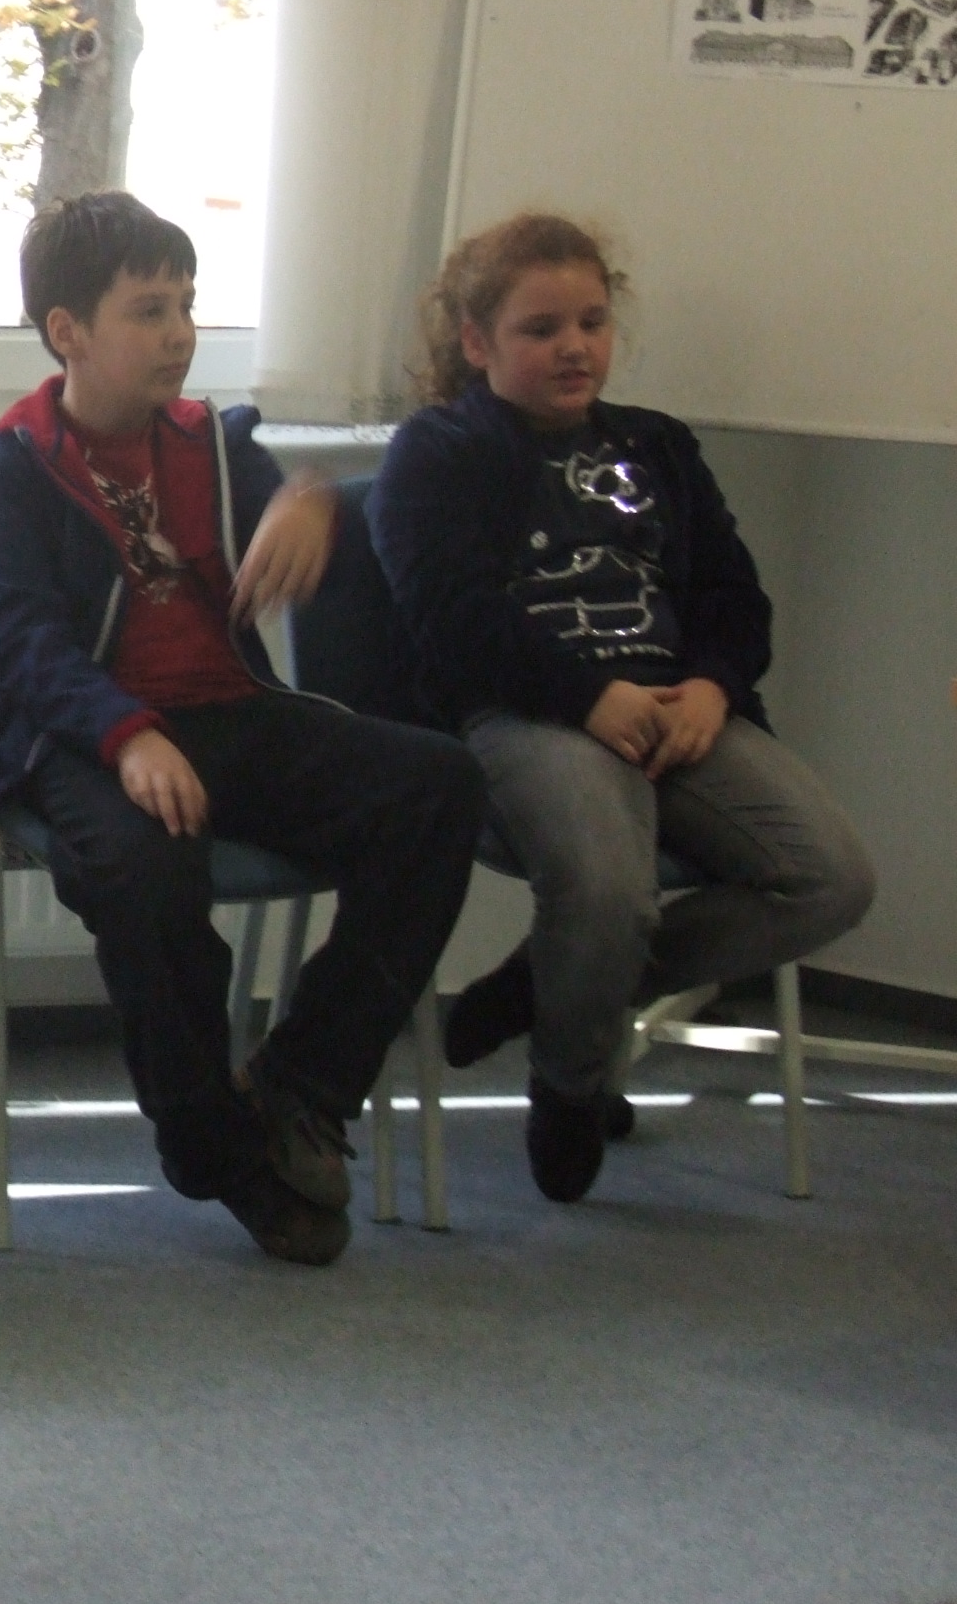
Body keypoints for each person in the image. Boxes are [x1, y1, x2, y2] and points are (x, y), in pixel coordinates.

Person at [0, 190, 486, 1265]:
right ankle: (215, 1147)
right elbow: (21, 647)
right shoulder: (8, 469)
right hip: (79, 737)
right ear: (68, 331)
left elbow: (293, 501)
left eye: (187, 305)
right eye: (149, 311)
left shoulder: (212, 442)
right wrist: (127, 735)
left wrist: (309, 500)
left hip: (229, 715)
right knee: (146, 872)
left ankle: (302, 1084)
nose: (180, 334)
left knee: (440, 788)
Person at [370, 211, 872, 1201]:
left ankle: (546, 984)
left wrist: (714, 687)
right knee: (606, 892)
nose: (575, 347)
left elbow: (734, 596)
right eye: (542, 328)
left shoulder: (658, 446)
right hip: (529, 712)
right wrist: (587, 695)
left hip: (676, 706)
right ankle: (571, 1084)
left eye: (592, 323)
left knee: (831, 880)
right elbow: (450, 617)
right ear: (477, 343)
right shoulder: (438, 451)